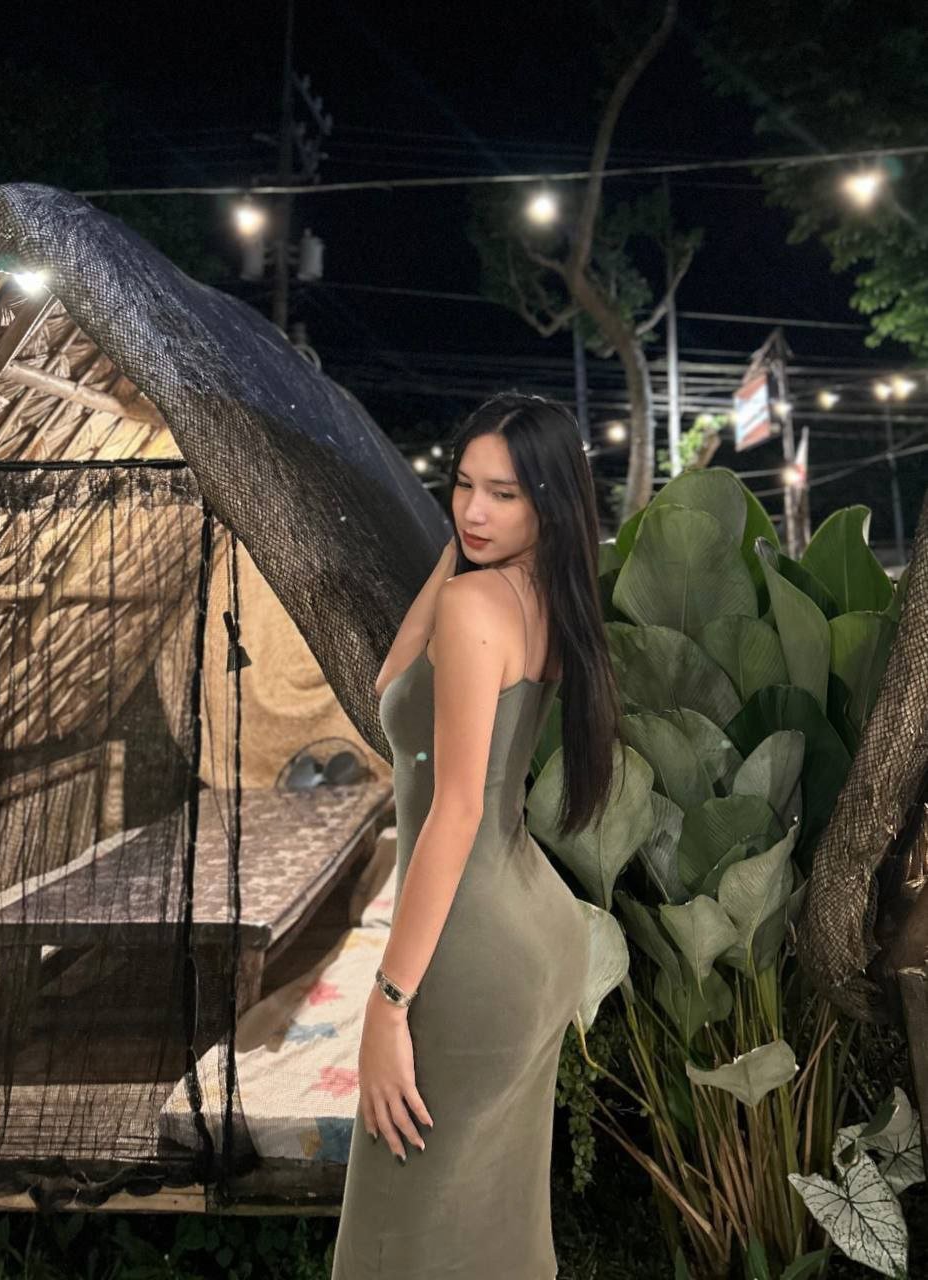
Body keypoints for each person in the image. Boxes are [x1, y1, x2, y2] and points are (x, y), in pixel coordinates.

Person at [331, 391, 623, 1279]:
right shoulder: (540, 596)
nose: (474, 510)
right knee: (493, 1234)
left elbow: (454, 812)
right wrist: (458, 550)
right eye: (464, 485)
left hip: (471, 946)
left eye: (504, 494)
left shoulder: (475, 608)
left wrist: (387, 1004)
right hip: (531, 929)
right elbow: (391, 684)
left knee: (398, 1242)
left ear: (550, 504)